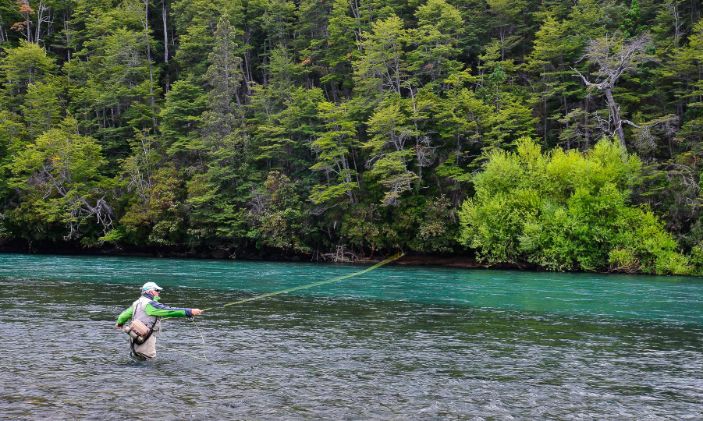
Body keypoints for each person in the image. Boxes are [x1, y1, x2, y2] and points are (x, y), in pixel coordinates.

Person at [115, 281, 204, 360]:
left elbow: (123, 315)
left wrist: (120, 323)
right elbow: (168, 311)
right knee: (148, 362)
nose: (159, 292)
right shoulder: (150, 304)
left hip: (134, 336)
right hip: (146, 338)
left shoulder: (137, 302)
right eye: (157, 290)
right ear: (150, 291)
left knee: (136, 358)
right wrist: (189, 312)